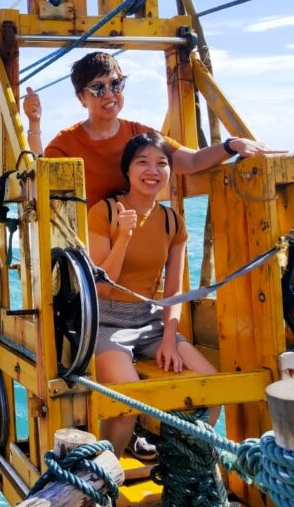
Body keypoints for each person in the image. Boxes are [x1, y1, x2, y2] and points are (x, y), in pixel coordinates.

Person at [87, 131, 220, 459]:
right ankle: (106, 477)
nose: (153, 170)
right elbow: (103, 284)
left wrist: (169, 339)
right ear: (127, 170)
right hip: (105, 321)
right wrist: (124, 236)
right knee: (128, 403)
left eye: (162, 163)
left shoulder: (172, 221)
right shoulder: (104, 212)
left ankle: (183, 465)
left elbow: (174, 290)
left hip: (150, 321)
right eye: (142, 162)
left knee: (212, 386)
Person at [23, 51, 285, 209]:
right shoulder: (67, 141)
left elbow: (192, 160)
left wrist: (232, 145)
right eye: (97, 88)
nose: (109, 94)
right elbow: (40, 176)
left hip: (134, 241)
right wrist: (34, 123)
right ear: (82, 98)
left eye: (115, 84)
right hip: (90, 249)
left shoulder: (139, 134)